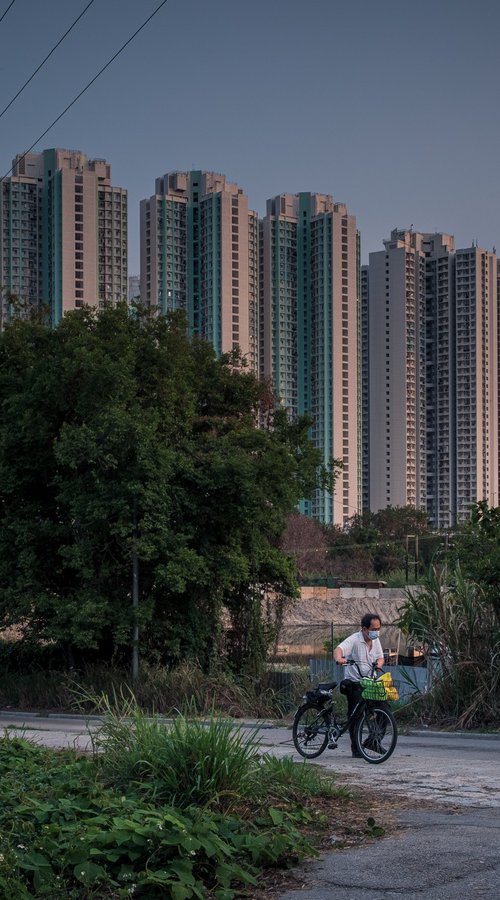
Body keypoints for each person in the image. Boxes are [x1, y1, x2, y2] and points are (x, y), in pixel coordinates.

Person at [333, 614, 384, 758]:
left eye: (379, 628)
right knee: (355, 715)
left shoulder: (376, 640)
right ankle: (356, 748)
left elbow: (380, 657)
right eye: (374, 629)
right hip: (354, 683)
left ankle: (373, 742)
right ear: (364, 629)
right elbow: (339, 650)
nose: (376, 632)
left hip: (370, 682)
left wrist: (378, 665)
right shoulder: (354, 640)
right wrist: (339, 659)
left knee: (384, 708)